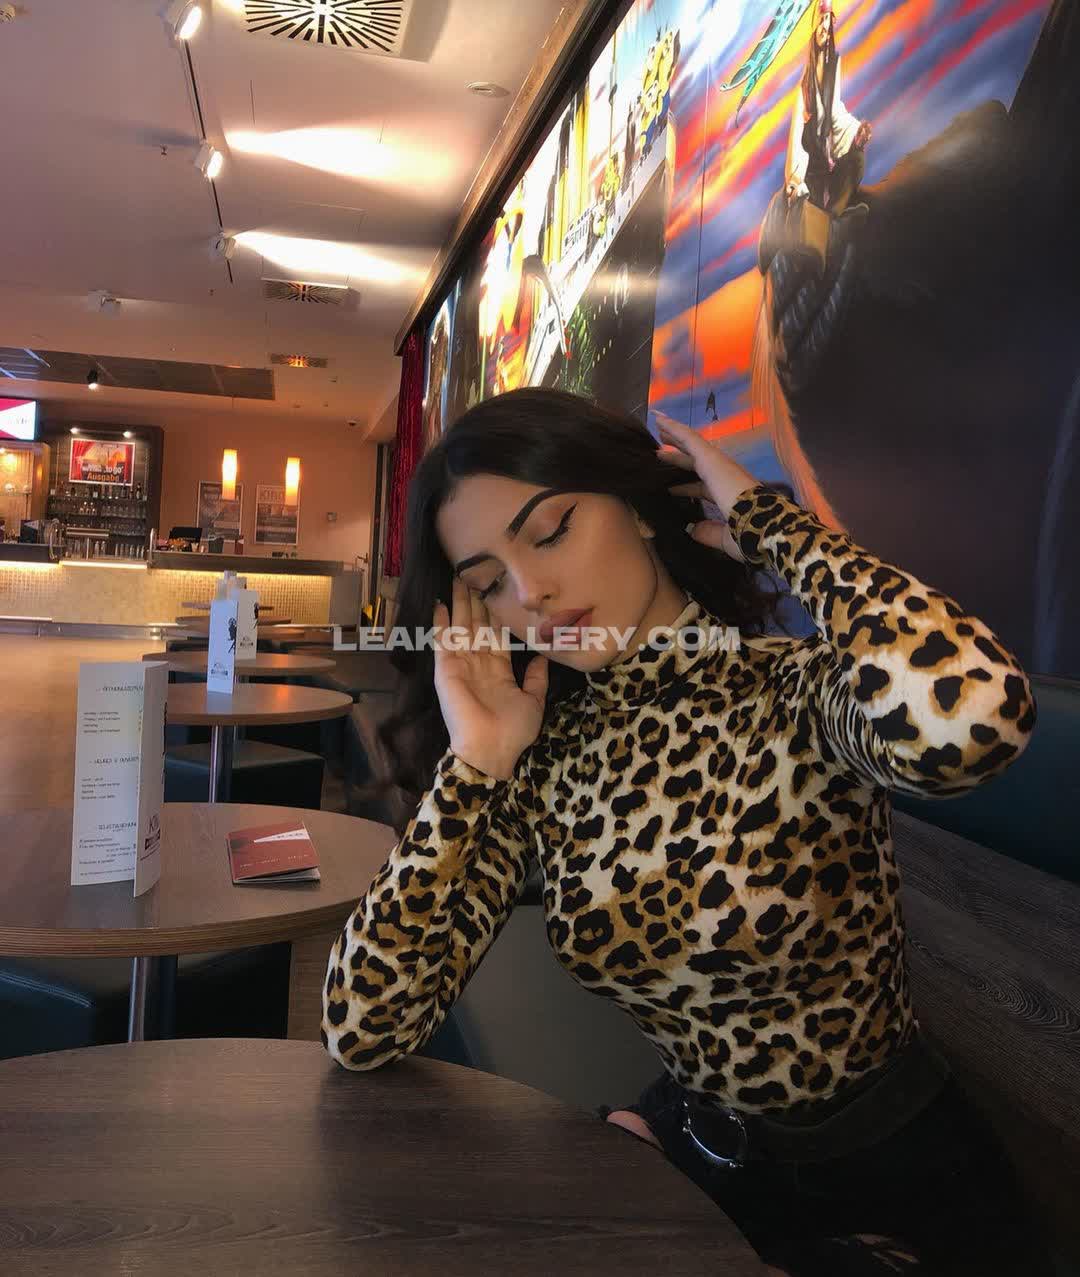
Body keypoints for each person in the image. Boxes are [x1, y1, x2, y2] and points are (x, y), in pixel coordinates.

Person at [321, 387, 1050, 1275]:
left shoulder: (790, 690)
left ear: (637, 509)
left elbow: (976, 719)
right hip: (702, 1159)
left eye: (551, 531)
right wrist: (475, 762)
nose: (530, 591)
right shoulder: (542, 752)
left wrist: (778, 530)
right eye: (486, 583)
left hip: (889, 1179)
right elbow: (363, 1023)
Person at [785, 0, 872, 215]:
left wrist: (856, 133)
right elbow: (797, 136)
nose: (825, 26)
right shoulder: (804, 88)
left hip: (828, 165)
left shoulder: (832, 68)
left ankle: (837, 218)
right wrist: (795, 180)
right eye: (821, 20)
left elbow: (835, 111)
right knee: (810, 209)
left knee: (857, 160)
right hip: (811, 173)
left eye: (828, 20)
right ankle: (832, 220)